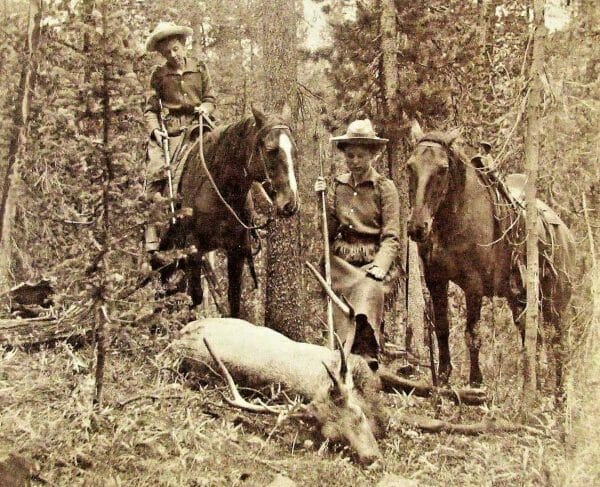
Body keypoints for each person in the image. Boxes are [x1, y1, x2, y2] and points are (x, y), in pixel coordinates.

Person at [315, 119, 401, 368]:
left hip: (371, 259)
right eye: (350, 155)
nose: (354, 161)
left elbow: (392, 236)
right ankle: (340, 351)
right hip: (342, 259)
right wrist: (321, 200)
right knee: (339, 294)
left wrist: (381, 266)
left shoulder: (385, 188)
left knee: (369, 288)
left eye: (360, 156)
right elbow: (327, 231)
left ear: (373, 155)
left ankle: (366, 352)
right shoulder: (337, 186)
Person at [143, 21, 216, 253]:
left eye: (176, 49)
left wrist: (205, 108)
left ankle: (251, 219)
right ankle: (152, 236)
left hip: (200, 126)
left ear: (184, 45)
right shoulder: (158, 75)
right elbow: (150, 109)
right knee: (157, 172)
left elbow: (210, 99)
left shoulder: (200, 68)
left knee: (230, 153)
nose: (173, 55)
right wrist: (156, 130)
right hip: (172, 131)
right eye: (167, 52)